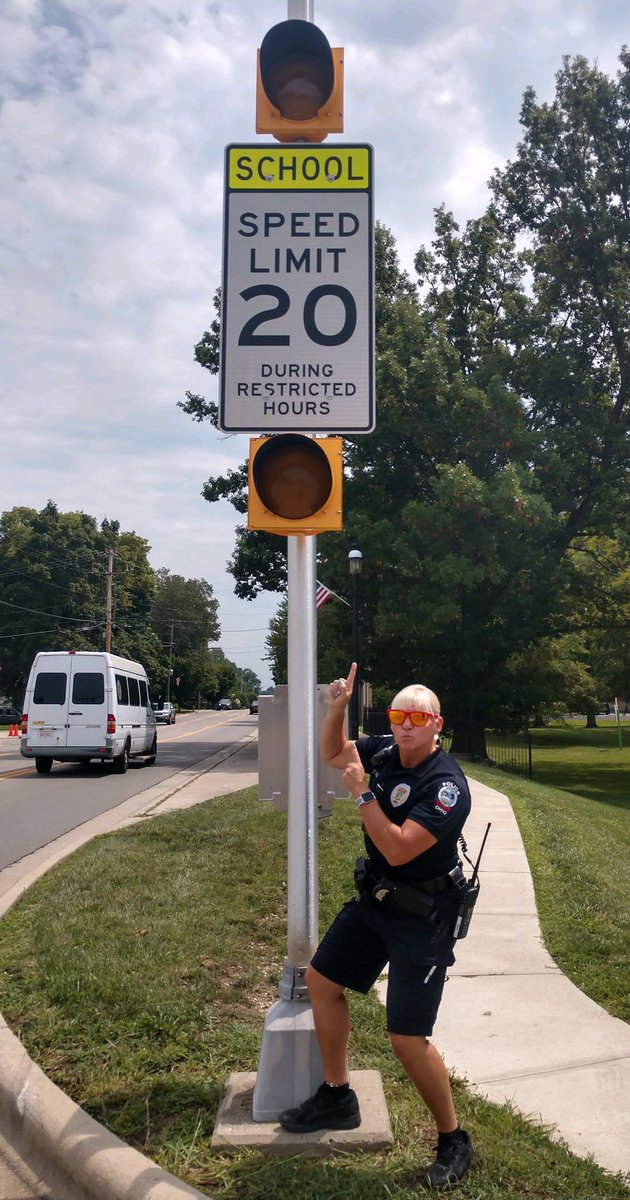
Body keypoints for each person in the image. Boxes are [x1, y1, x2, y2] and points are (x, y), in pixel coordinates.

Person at [279, 663, 475, 1190]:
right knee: (322, 983)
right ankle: (337, 1094)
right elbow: (331, 752)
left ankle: (453, 1138)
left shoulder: (446, 786)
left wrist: (363, 795)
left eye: (417, 716)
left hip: (425, 919)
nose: (406, 724)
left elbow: (396, 845)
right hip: (378, 901)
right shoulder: (386, 750)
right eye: (398, 714)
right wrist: (336, 709)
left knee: (406, 1038)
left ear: (437, 725)